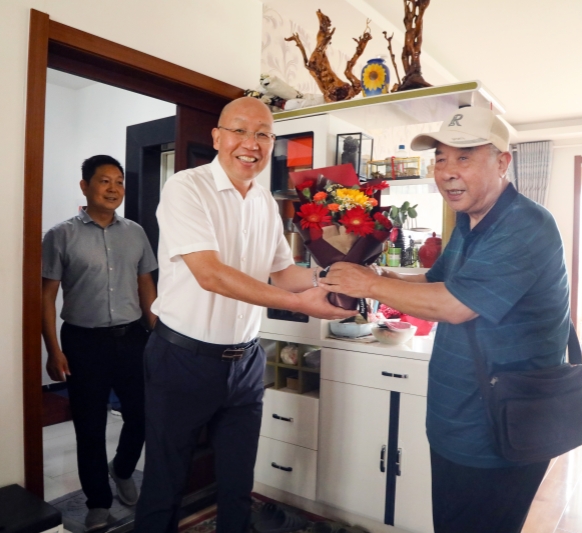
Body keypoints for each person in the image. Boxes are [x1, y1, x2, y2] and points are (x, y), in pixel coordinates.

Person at [319, 106, 570, 533]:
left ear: (502, 162)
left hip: (500, 427)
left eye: (464, 157)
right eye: (440, 159)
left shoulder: (525, 224)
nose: (447, 172)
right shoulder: (471, 222)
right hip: (460, 417)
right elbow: (438, 281)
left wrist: (370, 285)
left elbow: (455, 304)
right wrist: (383, 276)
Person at [133, 97, 355, 533]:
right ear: (218, 137)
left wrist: (332, 275)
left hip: (246, 361)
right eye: (239, 131)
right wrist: (298, 303)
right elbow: (210, 274)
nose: (250, 143)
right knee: (165, 484)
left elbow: (283, 272)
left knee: (238, 485)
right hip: (182, 360)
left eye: (263, 134)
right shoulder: (186, 188)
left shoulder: (265, 202)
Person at [42, 155, 159, 532]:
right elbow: (46, 296)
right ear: (85, 186)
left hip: (132, 338)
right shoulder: (61, 235)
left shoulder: (135, 232)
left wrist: (156, 334)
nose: (113, 189)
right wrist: (53, 350)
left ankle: (122, 468)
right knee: (89, 426)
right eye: (104, 181)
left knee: (143, 414)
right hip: (83, 342)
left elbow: (145, 285)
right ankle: (97, 501)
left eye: (119, 181)